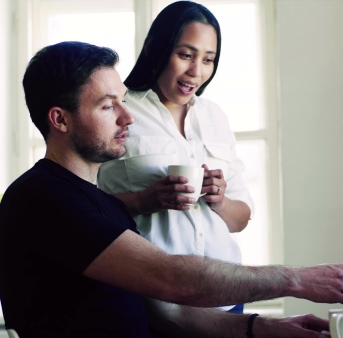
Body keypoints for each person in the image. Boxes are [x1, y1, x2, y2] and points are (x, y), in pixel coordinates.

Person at [0, 40, 343, 338]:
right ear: (59, 119)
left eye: (124, 101)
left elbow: (170, 313)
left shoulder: (106, 207)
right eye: (108, 105)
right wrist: (295, 278)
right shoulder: (41, 197)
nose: (128, 117)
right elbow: (174, 278)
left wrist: (265, 328)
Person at [97, 0, 251, 316]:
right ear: (158, 49)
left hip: (225, 295)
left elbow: (241, 218)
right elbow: (84, 208)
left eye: (208, 59)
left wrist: (220, 200)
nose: (197, 71)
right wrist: (145, 200)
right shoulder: (121, 111)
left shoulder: (215, 117)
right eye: (186, 55)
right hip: (152, 299)